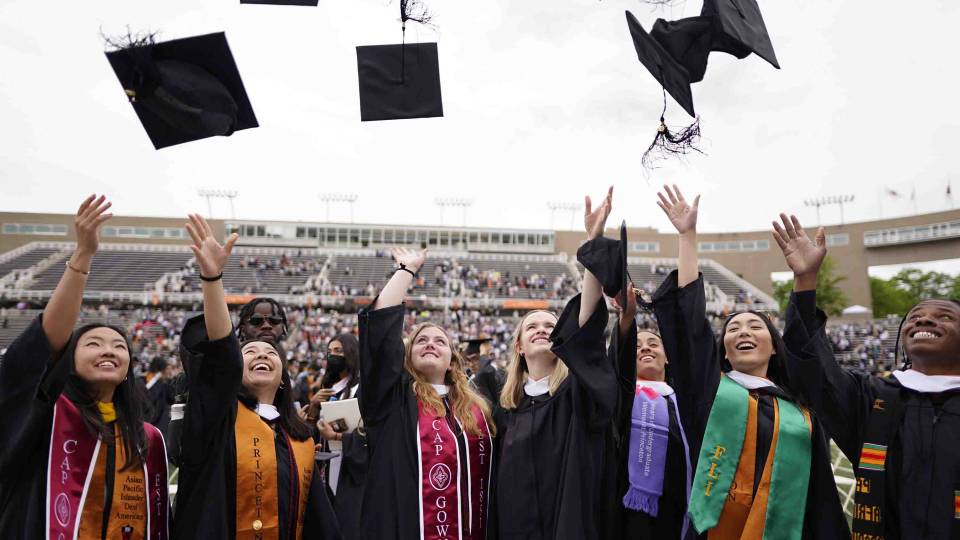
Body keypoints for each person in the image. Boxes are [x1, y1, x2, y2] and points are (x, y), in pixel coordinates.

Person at [650, 186, 848, 539]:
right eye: (733, 328)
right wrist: (687, 237)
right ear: (723, 351)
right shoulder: (709, 392)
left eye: (755, 325)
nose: (743, 330)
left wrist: (805, 279)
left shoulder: (799, 405)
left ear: (774, 347)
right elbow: (690, 328)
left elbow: (807, 348)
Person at [773, 212, 960, 538]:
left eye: (944, 317)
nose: (924, 322)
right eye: (914, 317)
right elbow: (812, 369)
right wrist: (805, 283)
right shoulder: (874, 398)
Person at [0, 195, 170, 539]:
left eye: (119, 346)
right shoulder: (47, 416)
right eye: (93, 343)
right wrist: (82, 256)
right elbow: (38, 352)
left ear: (128, 369)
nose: (109, 351)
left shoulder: (146, 439)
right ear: (67, 362)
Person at [171, 214, 341, 540]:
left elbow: (319, 521)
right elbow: (220, 358)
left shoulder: (300, 439)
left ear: (283, 378)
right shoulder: (218, 419)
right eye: (249, 353)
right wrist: (212, 278)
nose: (262, 352)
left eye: (271, 353)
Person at [493, 187, 618, 540]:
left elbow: (588, 325)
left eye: (550, 325)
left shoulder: (575, 396)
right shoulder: (506, 411)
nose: (542, 330)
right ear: (518, 345)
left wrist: (593, 244)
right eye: (531, 326)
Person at [358, 247, 496, 540]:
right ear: (407, 356)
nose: (431, 344)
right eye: (421, 340)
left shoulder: (477, 410)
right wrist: (405, 272)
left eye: (440, 342)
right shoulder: (393, 400)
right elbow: (380, 331)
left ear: (452, 360)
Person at [141, 355, 175, 433]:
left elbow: (172, 399)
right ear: (160, 371)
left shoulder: (164, 384)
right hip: (152, 426)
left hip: (154, 425)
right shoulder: (146, 383)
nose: (168, 372)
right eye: (166, 369)